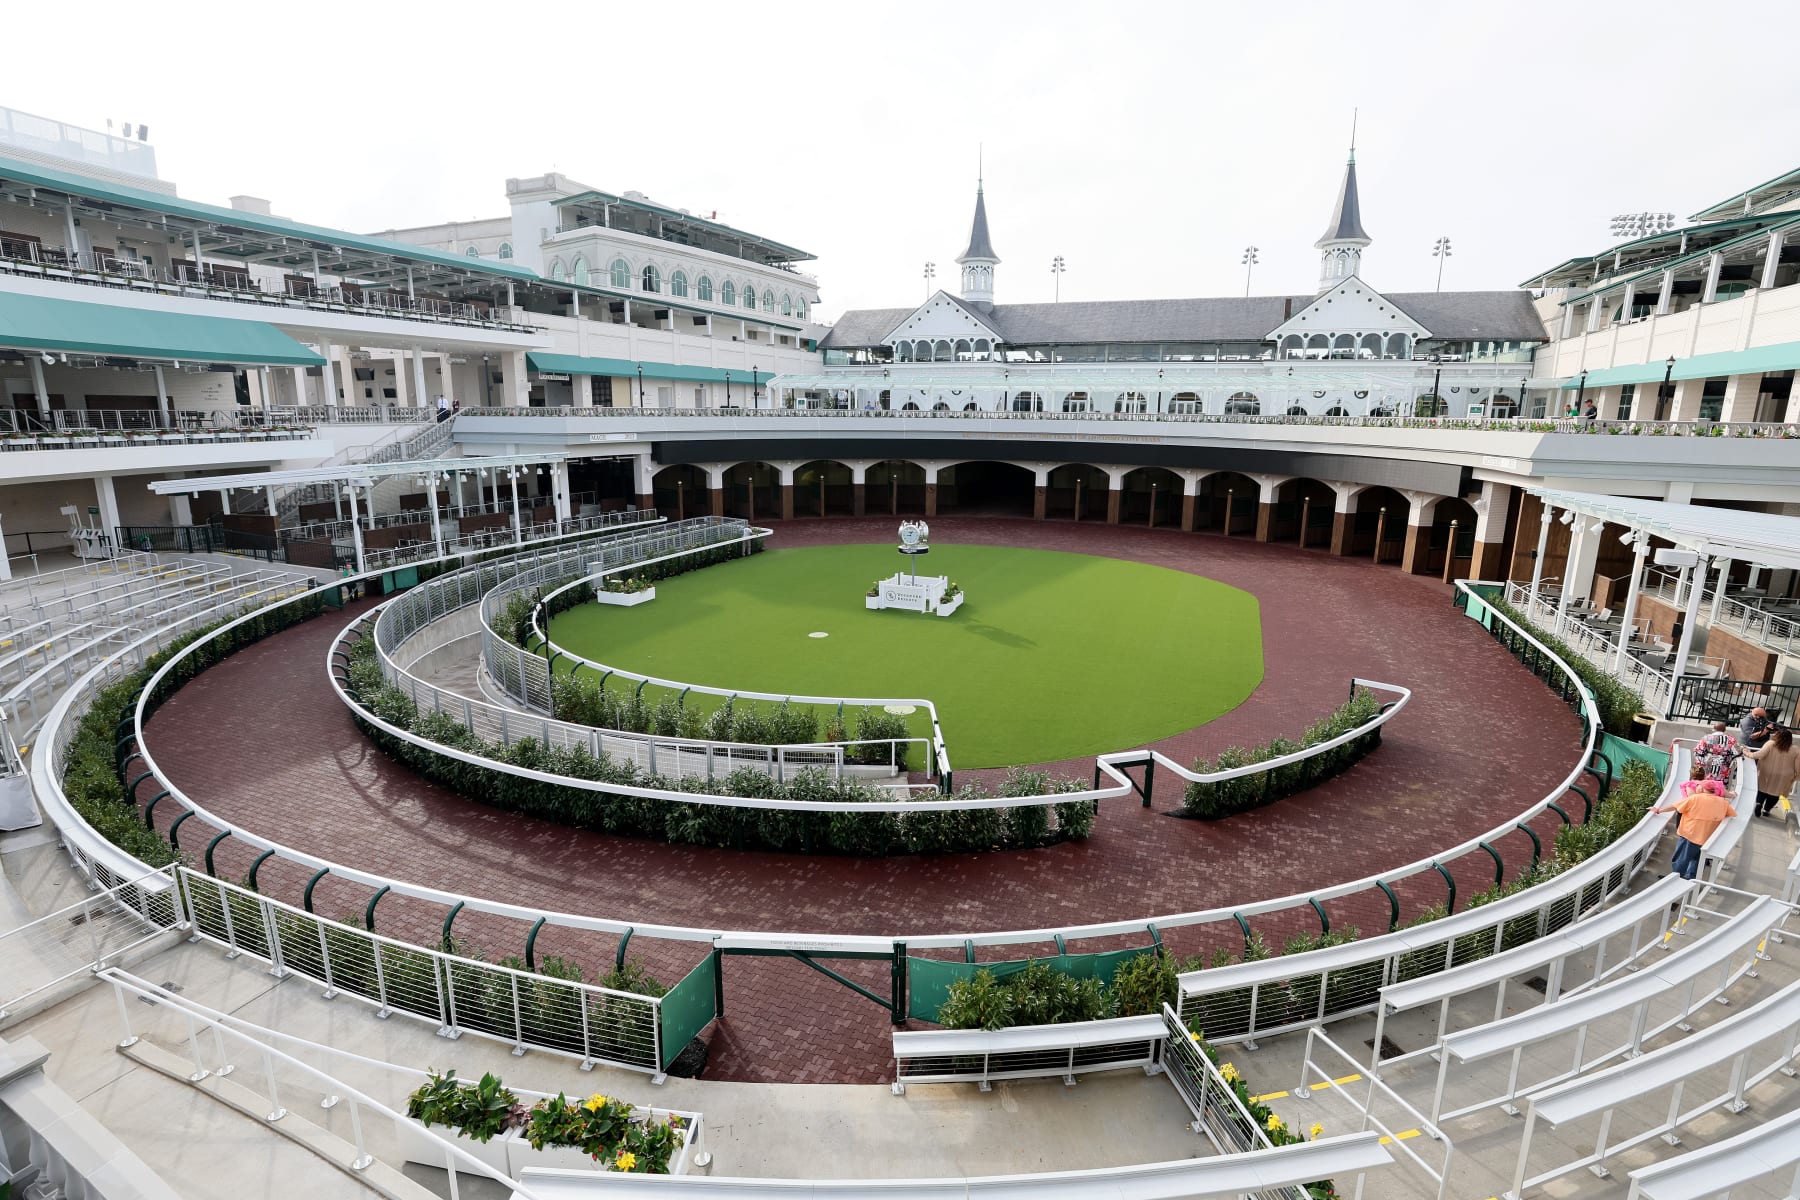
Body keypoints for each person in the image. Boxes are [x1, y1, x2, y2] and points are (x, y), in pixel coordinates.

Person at [1653, 766, 1735, 880]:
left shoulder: (1695, 799)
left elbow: (1675, 806)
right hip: (1707, 838)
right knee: (1697, 861)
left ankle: (1673, 879)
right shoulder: (1723, 803)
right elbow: (1732, 814)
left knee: (1681, 858)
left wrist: (1659, 810)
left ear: (1701, 789)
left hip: (1690, 835)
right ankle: (1689, 880)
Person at [1746, 726, 1799, 818]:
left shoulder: (1771, 744)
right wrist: (1797, 776)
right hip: (1785, 775)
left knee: (1762, 789)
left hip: (1766, 772)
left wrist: (1747, 753)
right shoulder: (1796, 749)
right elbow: (1798, 765)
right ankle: (1766, 810)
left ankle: (1759, 803)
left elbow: (1759, 754)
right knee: (1776, 793)